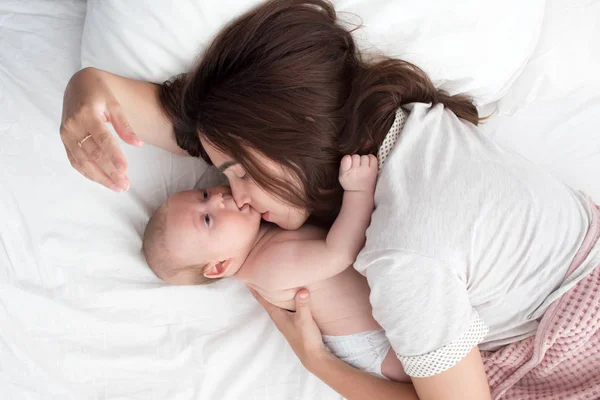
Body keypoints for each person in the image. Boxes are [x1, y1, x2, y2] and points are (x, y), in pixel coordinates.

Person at [59, 0, 600, 398]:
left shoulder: (407, 253)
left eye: (236, 173)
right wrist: (85, 87)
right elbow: (185, 129)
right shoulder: (410, 126)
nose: (233, 195)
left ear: (286, 134)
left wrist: (316, 361)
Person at [142, 156, 409, 383]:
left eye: (204, 195)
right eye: (208, 219)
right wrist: (358, 192)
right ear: (220, 265)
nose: (218, 198)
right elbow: (339, 252)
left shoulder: (264, 238)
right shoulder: (269, 266)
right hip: (374, 347)